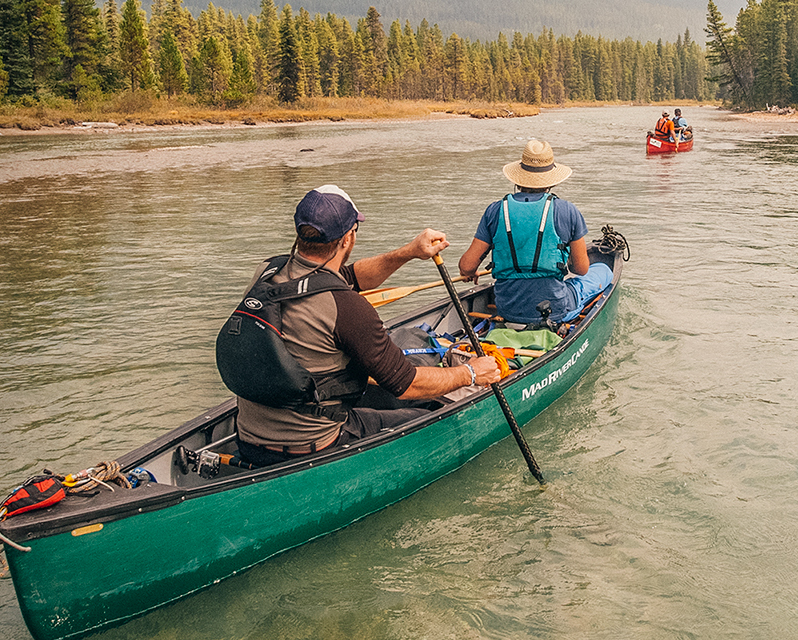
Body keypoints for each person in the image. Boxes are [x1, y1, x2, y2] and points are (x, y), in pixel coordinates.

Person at [219, 185, 501, 467]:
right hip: (316, 444)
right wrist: (470, 373)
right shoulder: (347, 308)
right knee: (428, 414)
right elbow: (406, 384)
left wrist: (410, 252)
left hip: (249, 436)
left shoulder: (268, 272)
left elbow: (351, 275)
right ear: (347, 239)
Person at [458, 140, 613, 326]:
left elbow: (466, 266)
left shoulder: (495, 210)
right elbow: (580, 269)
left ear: (518, 178)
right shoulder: (567, 210)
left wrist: (471, 271)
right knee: (603, 270)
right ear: (551, 180)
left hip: (507, 309)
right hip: (554, 309)